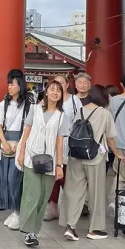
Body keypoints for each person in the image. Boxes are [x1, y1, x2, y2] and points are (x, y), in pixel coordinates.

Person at [63, 84, 122, 241]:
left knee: (75, 192)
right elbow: (110, 138)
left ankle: (70, 226)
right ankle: (94, 229)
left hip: (76, 156)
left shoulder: (80, 111)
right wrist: (117, 154)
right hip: (94, 158)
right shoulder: (104, 113)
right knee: (96, 194)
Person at [16, 80, 64, 247]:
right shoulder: (35, 110)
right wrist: (21, 153)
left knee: (43, 196)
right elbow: (26, 131)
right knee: (32, 194)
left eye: (58, 90)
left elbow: (59, 141)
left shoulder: (61, 115)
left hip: (50, 161)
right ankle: (28, 231)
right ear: (46, 91)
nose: (55, 92)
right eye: (52, 89)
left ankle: (35, 230)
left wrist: (60, 165)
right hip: (31, 156)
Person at [0, 70, 31, 229]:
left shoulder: (29, 105)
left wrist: (19, 144)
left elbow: (29, 127)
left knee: (14, 179)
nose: (9, 87)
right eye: (8, 84)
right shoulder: (4, 103)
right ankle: (13, 210)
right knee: (5, 180)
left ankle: (18, 210)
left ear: (20, 85)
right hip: (6, 143)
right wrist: (4, 142)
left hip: (21, 144)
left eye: (12, 84)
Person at [44, 74, 69, 222]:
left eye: (60, 84)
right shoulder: (40, 107)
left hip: (67, 147)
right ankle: (53, 209)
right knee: (52, 182)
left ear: (66, 85)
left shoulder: (74, 101)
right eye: (54, 86)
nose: (56, 89)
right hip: (48, 150)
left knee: (66, 181)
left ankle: (67, 211)